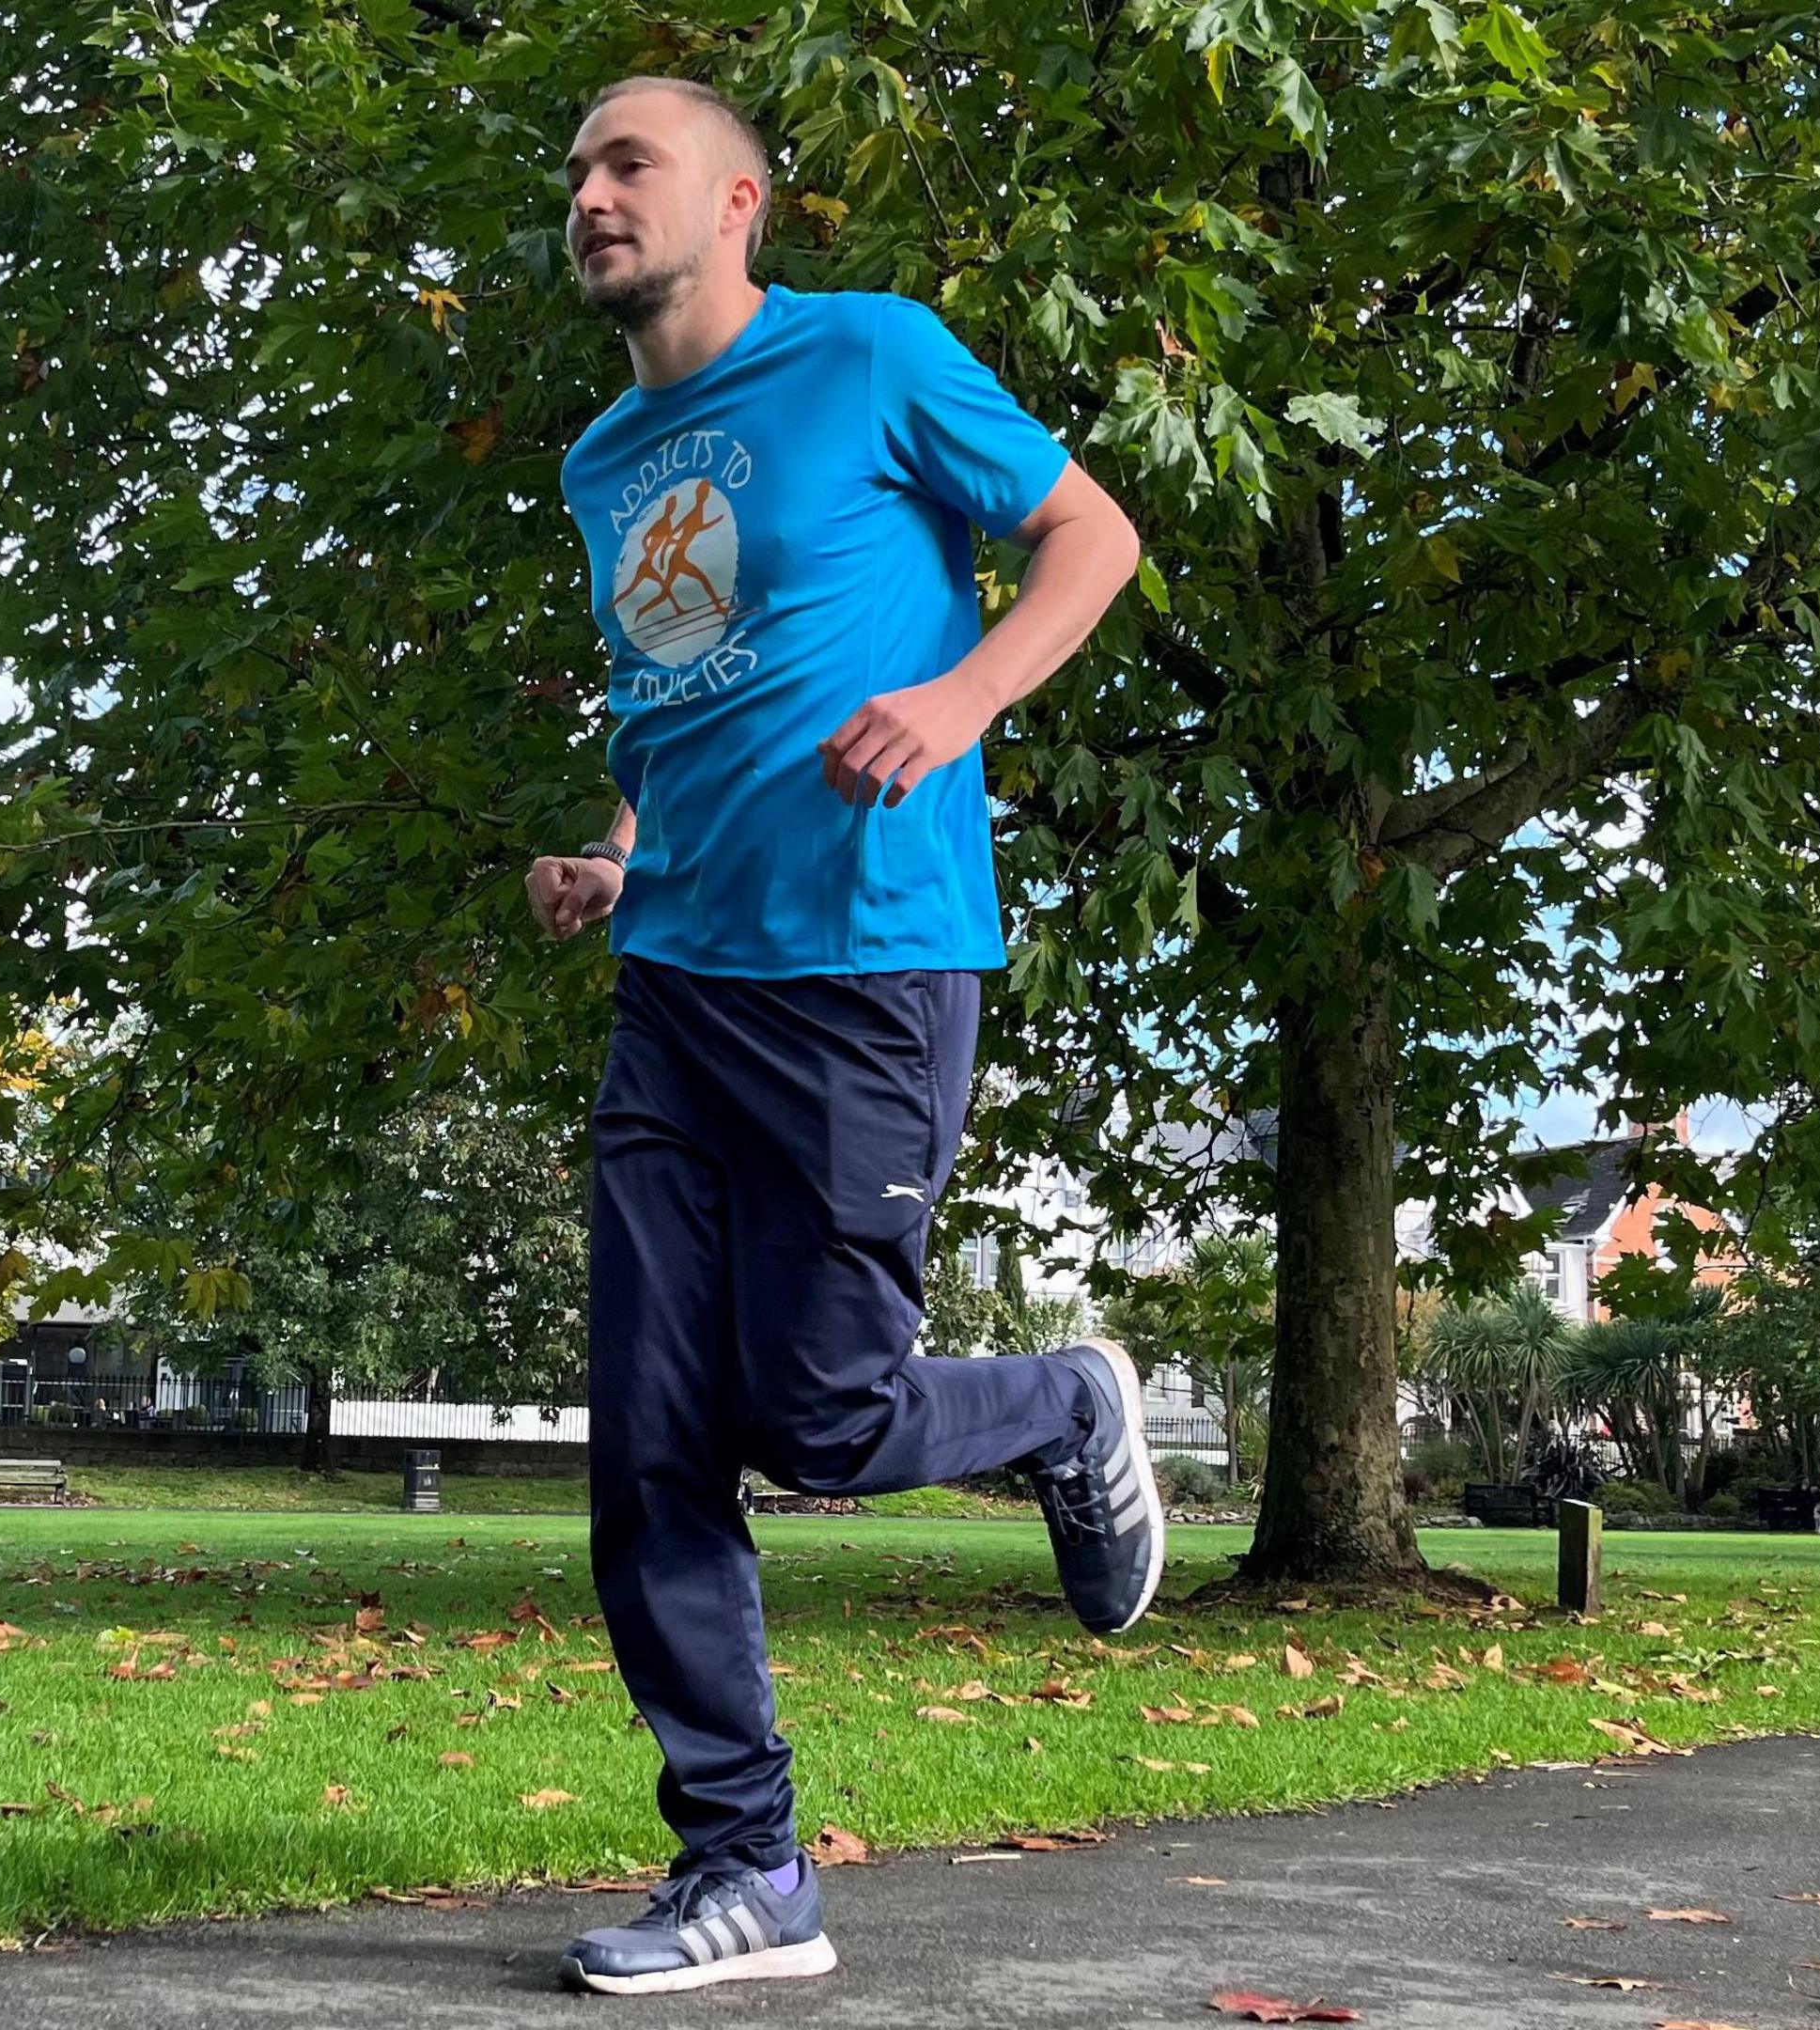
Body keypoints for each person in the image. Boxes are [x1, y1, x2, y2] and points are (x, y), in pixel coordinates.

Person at [527, 75, 1166, 1998]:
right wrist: (620, 856)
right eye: (573, 172)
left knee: (815, 1416)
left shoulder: (872, 357)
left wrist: (965, 696)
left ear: (737, 202)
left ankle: (1065, 1407)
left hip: (867, 966)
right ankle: (749, 1870)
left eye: (625, 163)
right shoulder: (600, 462)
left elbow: (1093, 538)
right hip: (680, 989)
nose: (588, 196)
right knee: (647, 1451)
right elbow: (677, 703)